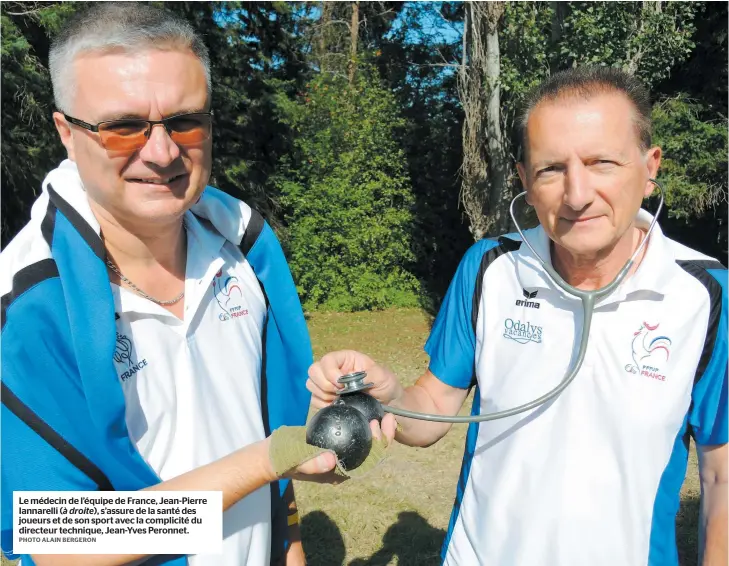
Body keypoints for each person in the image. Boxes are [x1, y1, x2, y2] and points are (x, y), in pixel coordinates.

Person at [0, 4, 394, 566]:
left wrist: (292, 534)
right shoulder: (27, 303)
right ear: (66, 132)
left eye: (184, 121)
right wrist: (266, 459)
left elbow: (273, 440)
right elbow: (60, 537)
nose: (161, 153)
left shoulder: (247, 252)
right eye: (122, 128)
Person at [308, 66, 727, 566]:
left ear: (650, 166)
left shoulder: (705, 295)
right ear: (525, 181)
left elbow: (720, 475)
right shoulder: (490, 269)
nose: (576, 194)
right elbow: (432, 412)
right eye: (551, 169)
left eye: (602, 163)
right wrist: (391, 396)